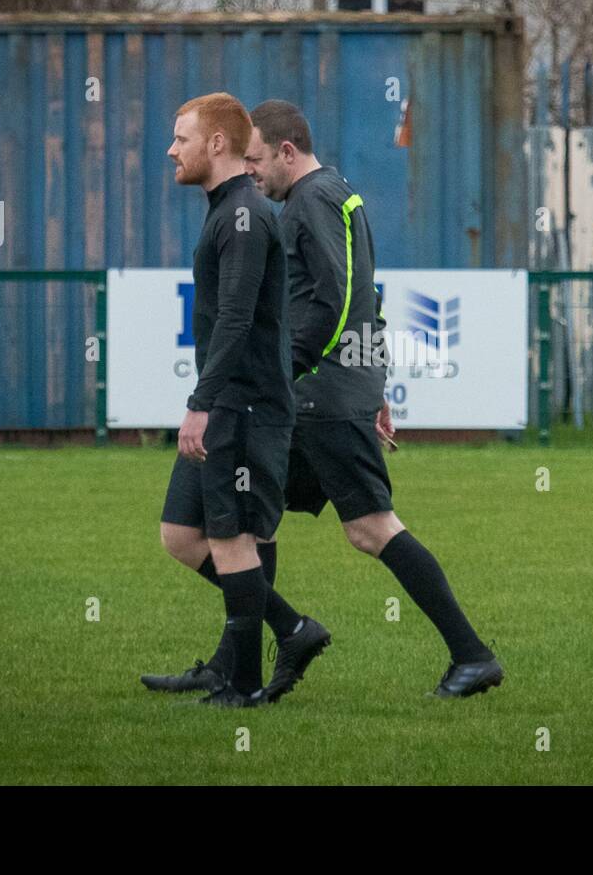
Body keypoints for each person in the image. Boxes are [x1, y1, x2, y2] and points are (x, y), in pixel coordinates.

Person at [239, 98, 503, 699]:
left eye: (255, 160)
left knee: (370, 528)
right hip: (335, 390)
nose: (249, 172)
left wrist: (287, 373)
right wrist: (375, 381)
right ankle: (243, 663)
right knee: (253, 519)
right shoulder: (338, 192)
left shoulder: (309, 202)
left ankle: (472, 654)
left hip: (318, 399)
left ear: (286, 151)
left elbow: (334, 299)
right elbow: (367, 296)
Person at [141, 92, 326, 708]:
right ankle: (292, 630)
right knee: (179, 534)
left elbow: (237, 321)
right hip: (228, 404)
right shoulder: (226, 208)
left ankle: (240, 679)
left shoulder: (244, 215)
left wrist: (202, 402)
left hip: (244, 407)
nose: (171, 149)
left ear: (217, 144)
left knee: (233, 542)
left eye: (181, 138)